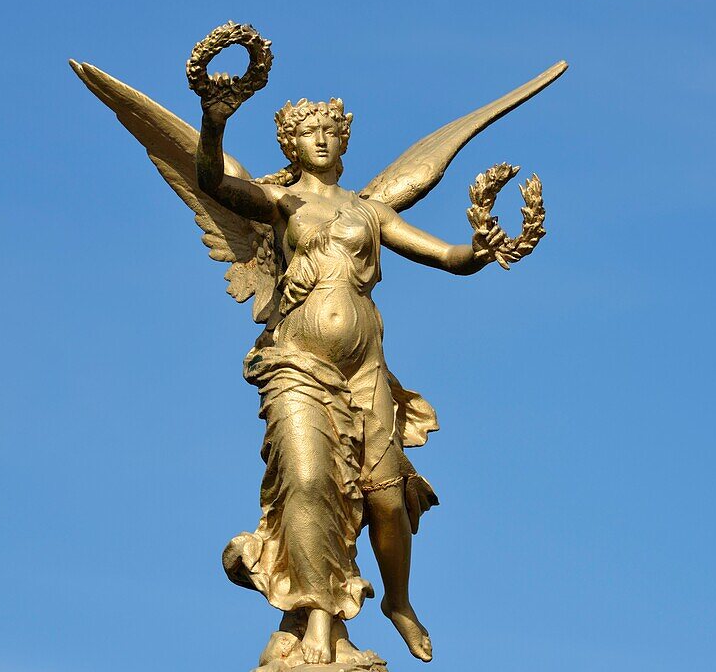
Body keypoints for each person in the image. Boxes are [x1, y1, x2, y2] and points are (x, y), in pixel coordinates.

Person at [195, 94, 508, 666]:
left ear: (344, 140)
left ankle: (398, 602)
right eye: (307, 132)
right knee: (312, 482)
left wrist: (479, 252)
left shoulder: (371, 212)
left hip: (365, 371)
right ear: (290, 145)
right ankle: (319, 615)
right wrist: (213, 123)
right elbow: (213, 182)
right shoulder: (280, 203)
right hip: (297, 364)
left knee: (387, 502)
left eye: (329, 131)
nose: (320, 139)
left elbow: (446, 257)